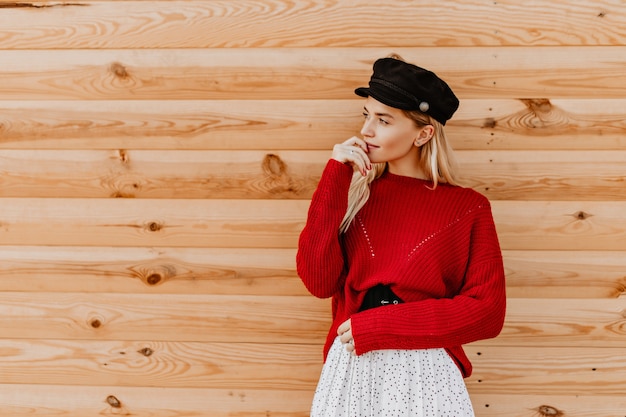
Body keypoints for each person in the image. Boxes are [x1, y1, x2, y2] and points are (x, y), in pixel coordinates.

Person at [296, 55, 506, 416]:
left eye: (384, 120)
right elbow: (318, 280)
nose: (367, 130)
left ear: (423, 133)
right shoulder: (352, 195)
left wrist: (379, 325)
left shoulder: (467, 208)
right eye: (367, 115)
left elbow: (487, 313)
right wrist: (335, 176)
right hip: (350, 369)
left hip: (427, 372)